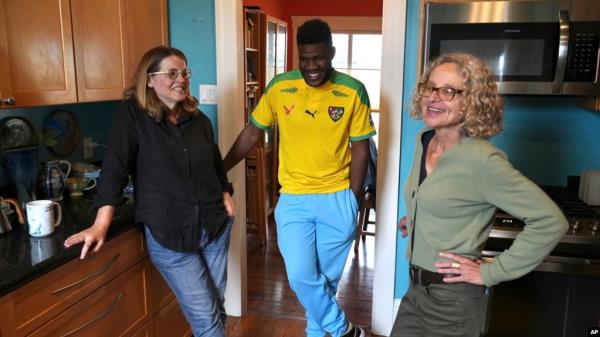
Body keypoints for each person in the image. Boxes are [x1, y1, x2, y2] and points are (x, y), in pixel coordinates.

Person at [390, 52, 568, 337]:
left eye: (449, 91)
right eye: (430, 87)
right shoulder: (424, 140)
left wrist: (489, 273)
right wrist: (416, 216)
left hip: (453, 303)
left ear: (471, 102)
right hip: (415, 291)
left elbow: (551, 221)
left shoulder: (482, 160)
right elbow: (440, 195)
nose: (434, 97)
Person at [64, 46, 235, 337]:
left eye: (184, 72)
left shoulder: (199, 120)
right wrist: (101, 223)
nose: (181, 78)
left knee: (215, 307)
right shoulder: (133, 117)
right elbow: (115, 166)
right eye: (171, 73)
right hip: (170, 233)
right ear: (149, 79)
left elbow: (214, 161)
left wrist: (225, 192)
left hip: (214, 226)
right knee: (207, 319)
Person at [224, 19, 375, 337]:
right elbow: (253, 132)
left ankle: (320, 332)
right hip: (293, 199)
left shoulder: (352, 90)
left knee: (325, 285)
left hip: (337, 198)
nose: (311, 67)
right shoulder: (280, 87)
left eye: (318, 58)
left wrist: (353, 199)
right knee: (301, 277)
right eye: (304, 59)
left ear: (331, 53)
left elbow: (361, 150)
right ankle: (344, 330)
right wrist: (220, 168)